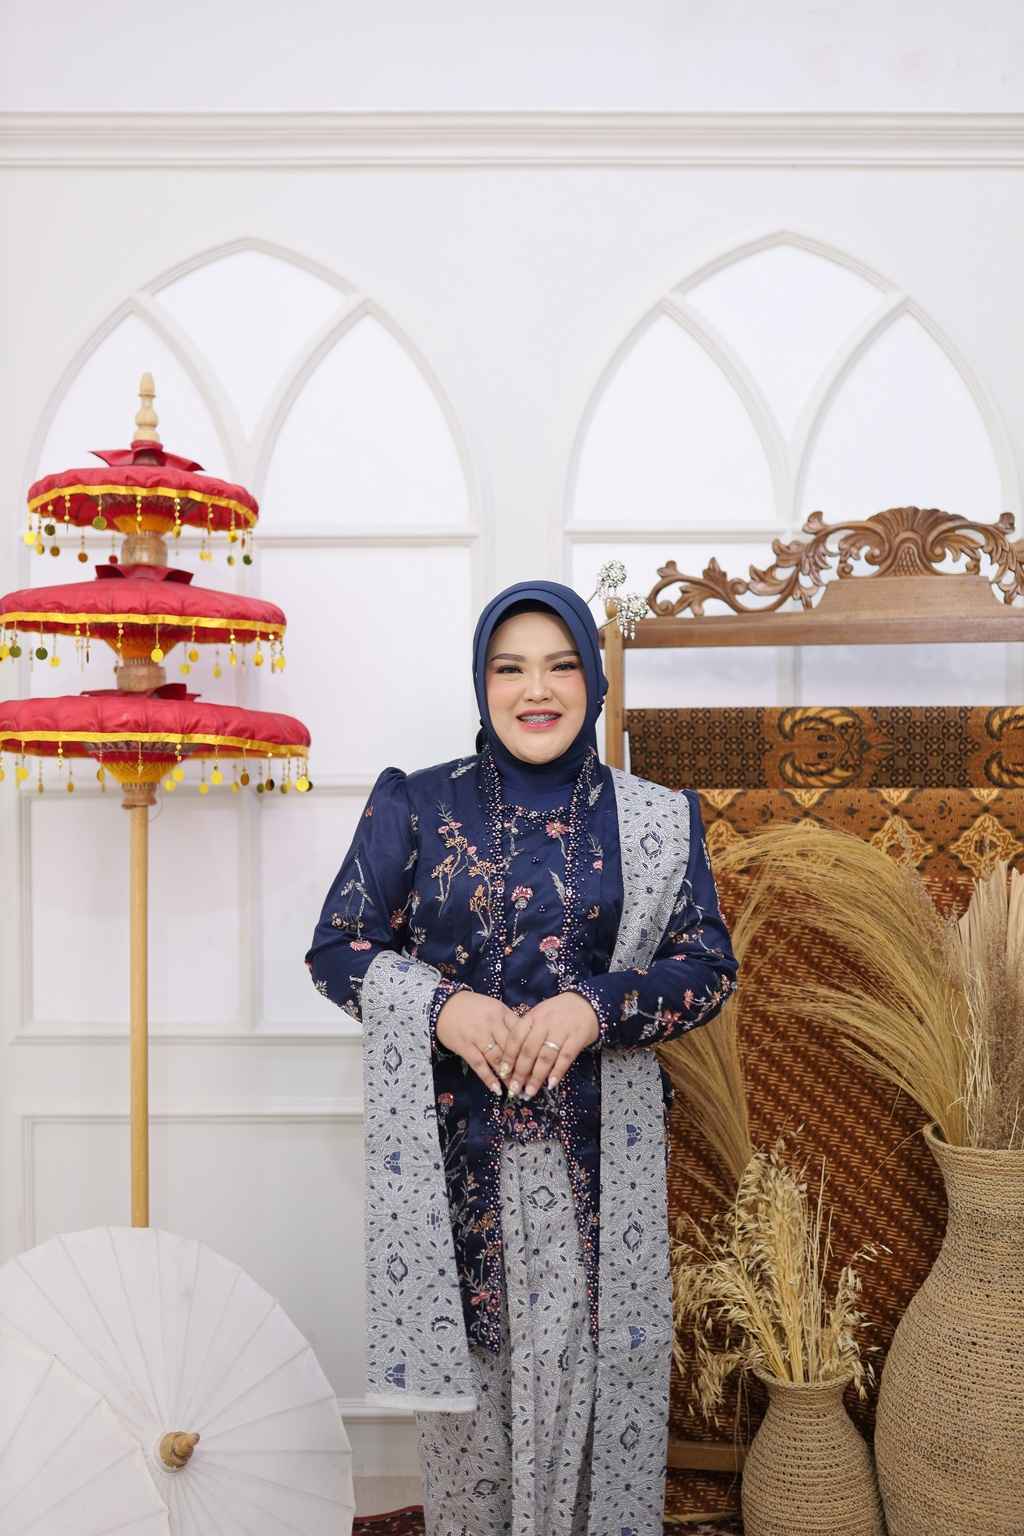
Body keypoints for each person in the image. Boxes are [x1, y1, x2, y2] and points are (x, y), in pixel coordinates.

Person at [306, 580, 737, 1536]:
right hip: (459, 1170)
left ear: (593, 681)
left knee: (593, 1396)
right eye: (510, 669)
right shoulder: (418, 805)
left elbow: (710, 968)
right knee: (475, 1415)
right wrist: (442, 1005)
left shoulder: (657, 818)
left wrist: (595, 1007)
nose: (535, 689)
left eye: (560, 665)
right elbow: (337, 949)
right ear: (482, 683)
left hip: (600, 1166)